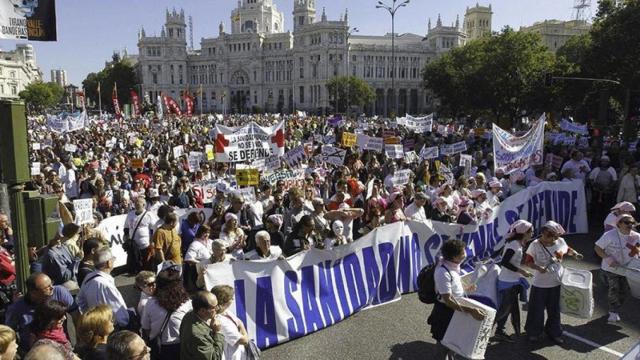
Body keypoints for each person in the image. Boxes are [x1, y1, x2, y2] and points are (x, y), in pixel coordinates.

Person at [524, 221, 583, 344]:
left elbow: (567, 249)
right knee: (537, 310)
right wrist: (538, 268)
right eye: (544, 234)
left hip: (556, 282)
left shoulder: (560, 242)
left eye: (549, 236)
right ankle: (534, 332)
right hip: (540, 284)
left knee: (554, 310)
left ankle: (554, 332)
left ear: (555, 236)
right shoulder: (535, 245)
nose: (545, 238)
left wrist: (575, 254)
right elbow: (528, 262)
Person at [427, 239, 486, 359]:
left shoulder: (453, 267)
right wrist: (472, 310)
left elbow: (454, 287)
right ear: (454, 257)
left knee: (453, 344)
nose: (465, 255)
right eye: (462, 253)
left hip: (455, 311)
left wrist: (466, 288)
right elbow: (448, 300)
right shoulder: (442, 272)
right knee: (443, 345)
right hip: (445, 314)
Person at [5, 273, 78, 354]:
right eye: (47, 287)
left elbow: (76, 315)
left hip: (61, 347)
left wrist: (80, 339)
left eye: (51, 284)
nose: (52, 288)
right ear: (34, 292)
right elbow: (8, 332)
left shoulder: (59, 292)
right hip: (33, 352)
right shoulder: (17, 308)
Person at [594, 214, 640, 322]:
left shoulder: (636, 236)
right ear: (619, 223)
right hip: (610, 268)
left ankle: (615, 307)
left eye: (632, 223)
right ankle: (613, 312)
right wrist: (608, 259)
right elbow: (597, 248)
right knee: (615, 289)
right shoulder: (609, 235)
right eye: (627, 222)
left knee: (624, 291)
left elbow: (637, 250)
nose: (630, 225)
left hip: (626, 268)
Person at [493, 220, 533, 342]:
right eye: (530, 231)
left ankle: (503, 331)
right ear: (524, 233)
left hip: (512, 282)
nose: (532, 233)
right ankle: (482, 330)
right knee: (504, 311)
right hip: (507, 283)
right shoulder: (514, 244)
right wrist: (522, 271)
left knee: (510, 309)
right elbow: (504, 262)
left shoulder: (518, 243)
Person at [141, 269, 192, 360]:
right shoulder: (187, 303)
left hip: (161, 346)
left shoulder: (150, 303)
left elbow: (146, 327)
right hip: (183, 345)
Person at [77, 248, 132, 330]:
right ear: (108, 263)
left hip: (95, 325)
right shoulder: (105, 284)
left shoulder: (89, 277)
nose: (113, 261)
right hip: (110, 328)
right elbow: (121, 315)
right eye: (112, 259)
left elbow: (80, 301)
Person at [179, 291, 225, 360]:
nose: (217, 308)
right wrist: (217, 333)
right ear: (202, 311)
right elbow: (215, 358)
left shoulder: (190, 314)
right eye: (214, 307)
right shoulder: (197, 334)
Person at [211, 285, 249, 360]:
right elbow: (244, 341)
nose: (233, 299)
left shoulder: (226, 312)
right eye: (231, 298)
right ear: (224, 301)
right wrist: (242, 327)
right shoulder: (221, 322)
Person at [124, 197, 154, 274]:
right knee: (134, 264)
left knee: (145, 264)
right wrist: (126, 237)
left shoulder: (149, 215)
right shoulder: (130, 214)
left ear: (144, 204)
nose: (136, 203)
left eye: (139, 202)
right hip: (133, 245)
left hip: (145, 245)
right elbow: (126, 227)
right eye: (136, 202)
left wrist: (152, 242)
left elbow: (152, 230)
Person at [184, 225, 214, 291]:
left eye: (208, 232)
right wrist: (202, 264)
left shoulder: (211, 242)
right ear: (200, 232)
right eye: (205, 232)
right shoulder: (195, 244)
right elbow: (188, 259)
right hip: (199, 273)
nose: (207, 234)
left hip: (211, 272)